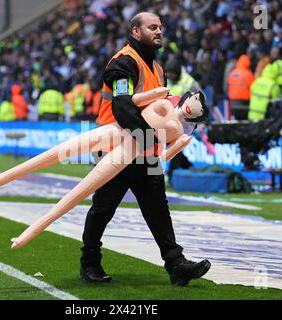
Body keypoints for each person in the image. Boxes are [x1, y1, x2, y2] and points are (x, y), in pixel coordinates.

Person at [81, 12, 211, 286]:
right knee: (103, 208)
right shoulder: (123, 62)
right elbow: (122, 105)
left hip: (145, 151)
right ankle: (89, 262)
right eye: (152, 27)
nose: (159, 31)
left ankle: (176, 264)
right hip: (116, 148)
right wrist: (149, 136)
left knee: (157, 208)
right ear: (135, 32)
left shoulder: (158, 68)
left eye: (161, 27)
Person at [226, 54, 254, 120]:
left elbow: (227, 87)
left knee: (237, 122)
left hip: (233, 104)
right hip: (245, 104)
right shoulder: (249, 74)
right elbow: (253, 88)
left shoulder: (232, 73)